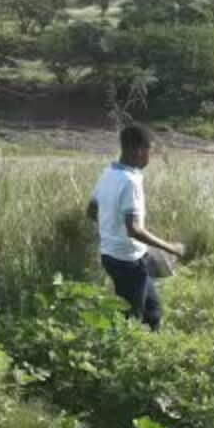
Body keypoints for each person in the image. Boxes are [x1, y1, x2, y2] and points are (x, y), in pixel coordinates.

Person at [88, 124, 185, 331]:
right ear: (139, 150)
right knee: (130, 319)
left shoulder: (109, 173)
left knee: (153, 312)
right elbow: (134, 230)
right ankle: (114, 354)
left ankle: (154, 344)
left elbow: (90, 211)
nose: (151, 157)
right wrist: (171, 248)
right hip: (128, 262)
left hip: (112, 255)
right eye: (151, 150)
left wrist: (111, 231)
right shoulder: (130, 181)